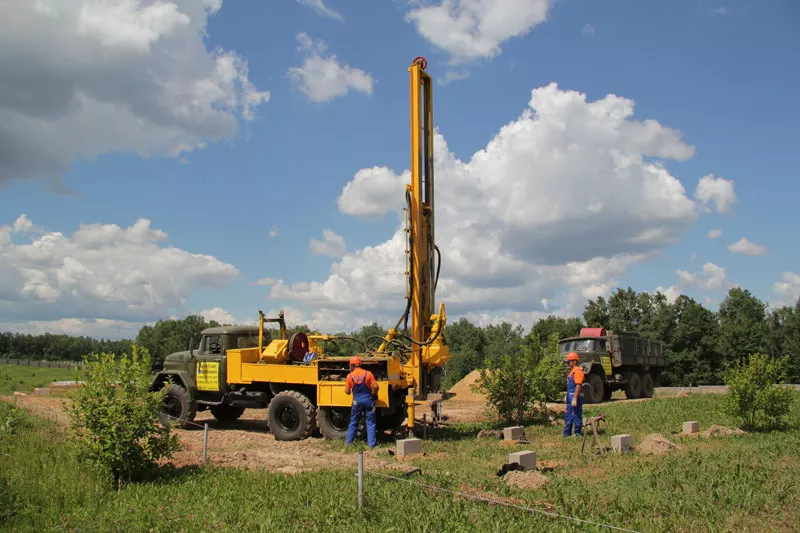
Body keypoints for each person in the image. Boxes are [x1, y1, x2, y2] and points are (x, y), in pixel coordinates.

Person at [344, 355, 379, 448]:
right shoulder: (368, 374)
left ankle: (348, 444)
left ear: (351, 365)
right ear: (360, 364)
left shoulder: (349, 376)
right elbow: (375, 386)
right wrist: (373, 395)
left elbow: (347, 392)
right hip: (368, 401)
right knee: (370, 423)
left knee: (354, 422)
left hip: (357, 402)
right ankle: (371, 445)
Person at [563, 351, 584, 437]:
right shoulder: (572, 371)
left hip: (576, 397)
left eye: (569, 361)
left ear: (574, 361)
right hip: (570, 396)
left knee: (576, 415)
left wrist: (575, 398)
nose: (568, 363)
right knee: (568, 415)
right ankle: (567, 434)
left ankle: (577, 433)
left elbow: (578, 386)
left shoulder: (578, 372)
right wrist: (567, 396)